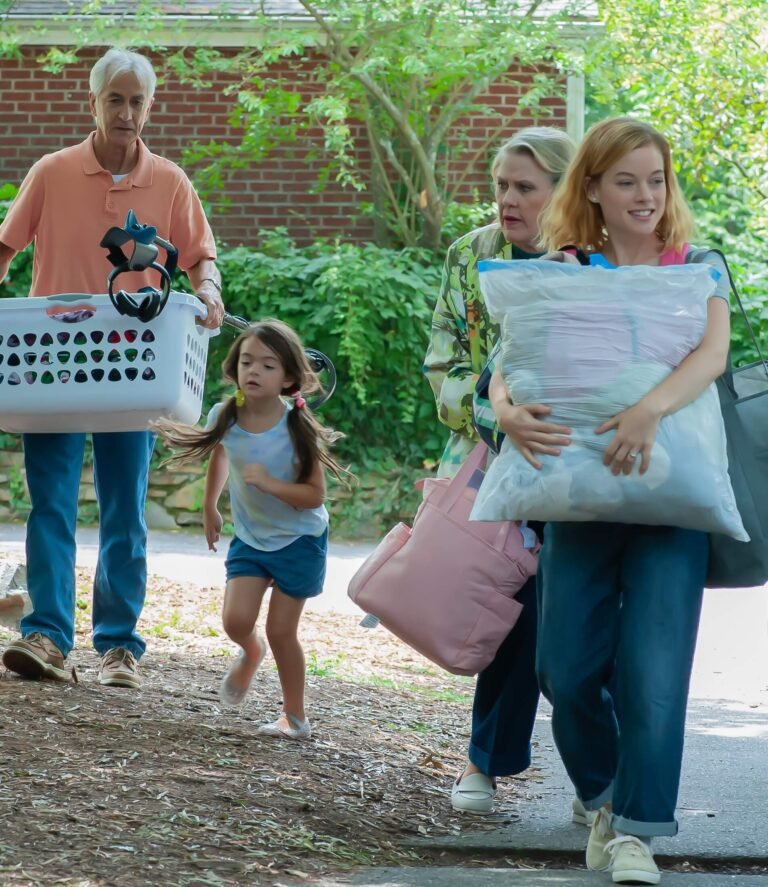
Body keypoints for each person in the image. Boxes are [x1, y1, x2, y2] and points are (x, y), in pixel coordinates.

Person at [494, 117, 730, 884]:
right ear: (591, 187)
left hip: (671, 503)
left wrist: (649, 408)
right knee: (564, 669)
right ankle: (602, 794)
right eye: (625, 180)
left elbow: (713, 352)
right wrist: (502, 408)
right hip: (579, 496)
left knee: (654, 671)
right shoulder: (563, 270)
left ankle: (635, 832)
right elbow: (509, 359)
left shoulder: (698, 266)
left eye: (656, 179)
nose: (645, 195)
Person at [0, 47, 224, 689]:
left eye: (137, 101)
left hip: (135, 366)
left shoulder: (172, 182)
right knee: (51, 503)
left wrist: (208, 291)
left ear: (149, 107)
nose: (126, 113)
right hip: (51, 363)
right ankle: (45, 634)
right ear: (92, 103)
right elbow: (6, 247)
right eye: (115, 99)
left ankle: (119, 645)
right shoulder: (52, 172)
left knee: (125, 506)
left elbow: (201, 259)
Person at [423, 128, 590, 819]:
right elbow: (443, 365)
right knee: (507, 618)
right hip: (494, 468)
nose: (507, 199)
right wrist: (496, 418)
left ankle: (594, 775)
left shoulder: (595, 255)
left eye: (525, 186)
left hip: (579, 470)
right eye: (500, 184)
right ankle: (483, 762)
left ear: (561, 189)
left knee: (576, 628)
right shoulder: (472, 253)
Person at [155, 319, 346, 740]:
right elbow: (222, 453)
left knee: (282, 630)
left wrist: (271, 485)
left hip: (301, 540)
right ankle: (249, 651)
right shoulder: (226, 414)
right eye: (247, 361)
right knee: (236, 621)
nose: (254, 371)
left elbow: (315, 495)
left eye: (268, 365)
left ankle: (295, 717)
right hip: (252, 537)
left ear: (289, 377)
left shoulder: (297, 426)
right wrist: (210, 505)